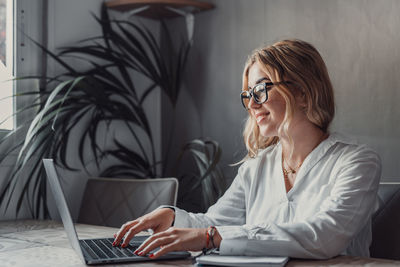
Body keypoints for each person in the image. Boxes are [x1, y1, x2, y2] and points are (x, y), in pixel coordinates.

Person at [113, 39, 381, 259]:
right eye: (248, 94)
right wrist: (172, 218)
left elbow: (324, 236)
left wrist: (212, 237)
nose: (252, 104)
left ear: (303, 91)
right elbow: (214, 223)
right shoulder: (257, 166)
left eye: (261, 89)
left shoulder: (357, 162)